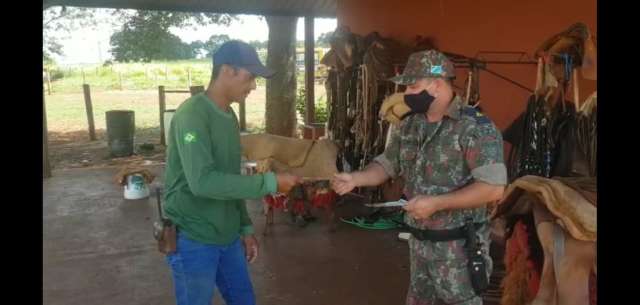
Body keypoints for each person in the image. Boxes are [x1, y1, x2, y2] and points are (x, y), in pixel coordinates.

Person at [332, 50, 507, 305]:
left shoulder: (475, 128)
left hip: (458, 251)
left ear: (436, 85)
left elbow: (493, 189)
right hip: (419, 245)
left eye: (413, 86)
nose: (407, 94)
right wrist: (355, 178)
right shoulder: (411, 125)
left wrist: (437, 203)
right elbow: (387, 164)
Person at [163, 40, 301, 305]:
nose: (253, 86)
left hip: (226, 235)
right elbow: (203, 182)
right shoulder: (192, 115)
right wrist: (269, 182)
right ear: (227, 70)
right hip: (194, 235)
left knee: (243, 300)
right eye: (249, 77)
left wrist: (245, 227)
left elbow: (230, 177)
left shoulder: (229, 116)